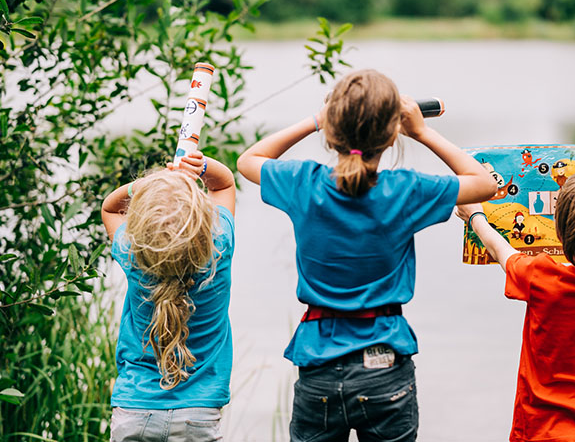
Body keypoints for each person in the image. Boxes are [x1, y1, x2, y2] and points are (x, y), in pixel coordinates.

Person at [236, 68, 497, 442]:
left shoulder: (303, 183)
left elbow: (249, 160)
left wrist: (316, 120)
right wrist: (422, 131)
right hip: (386, 366)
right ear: (392, 136)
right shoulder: (405, 191)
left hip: (319, 365)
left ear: (331, 131)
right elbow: (486, 183)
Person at [456, 168, 575, 442]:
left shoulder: (542, 278)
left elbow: (501, 249)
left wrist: (474, 216)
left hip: (540, 430)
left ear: (559, 231)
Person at [101, 151, 236, 442]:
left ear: (139, 230)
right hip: (198, 414)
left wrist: (149, 185)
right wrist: (200, 166)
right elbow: (224, 185)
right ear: (203, 225)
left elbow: (110, 208)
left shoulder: (131, 255)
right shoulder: (220, 250)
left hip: (134, 409)